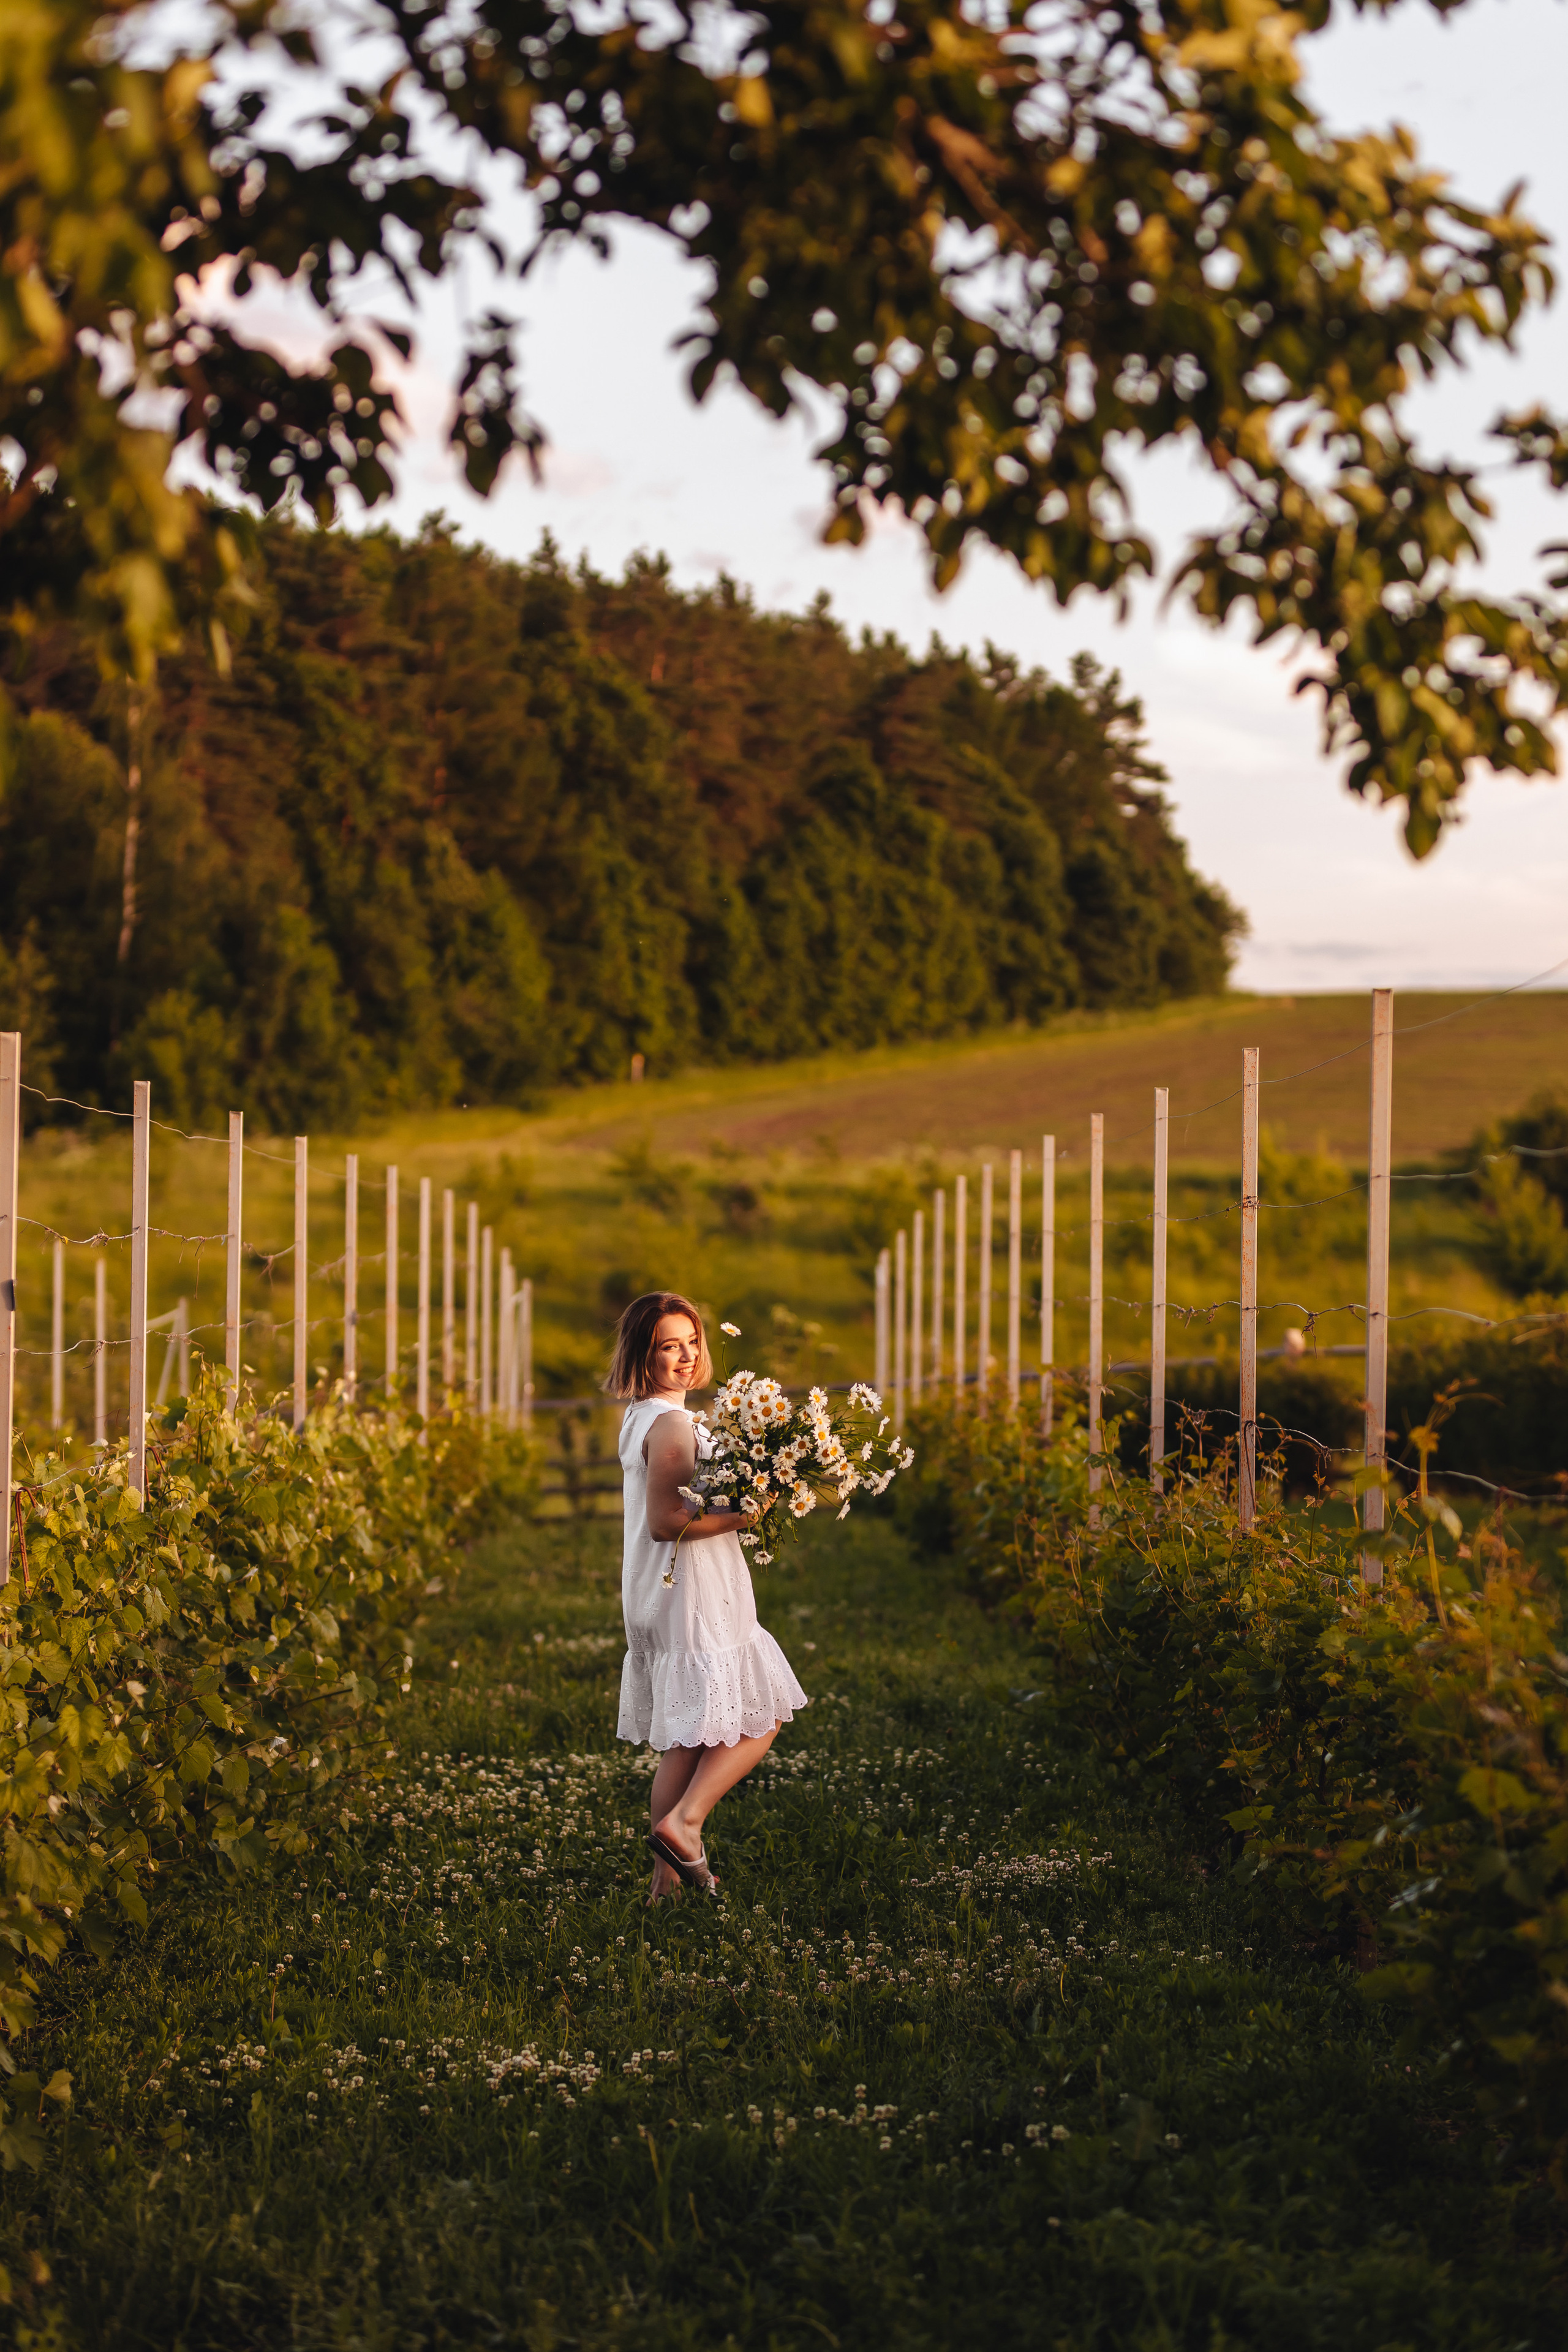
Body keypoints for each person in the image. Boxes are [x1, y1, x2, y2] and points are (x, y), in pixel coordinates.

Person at [607, 1291, 807, 1899]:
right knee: (764, 1712)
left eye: (692, 1342)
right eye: (669, 1346)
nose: (686, 1356)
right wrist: (745, 1516)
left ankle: (664, 1887)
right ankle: (685, 1824)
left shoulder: (651, 1414)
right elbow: (667, 1520)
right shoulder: (668, 1422)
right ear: (643, 1355)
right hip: (690, 1588)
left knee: (689, 1741)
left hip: (668, 1587)